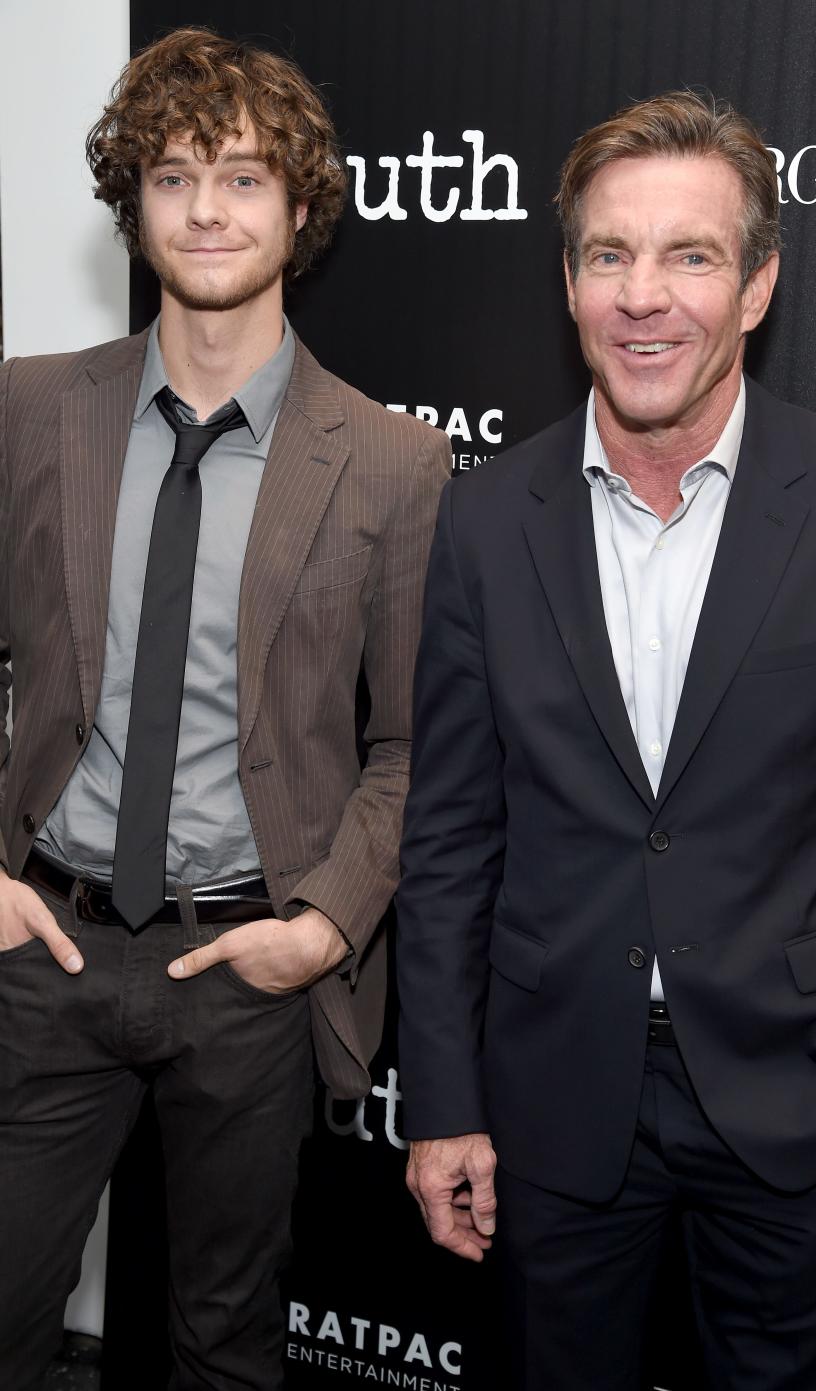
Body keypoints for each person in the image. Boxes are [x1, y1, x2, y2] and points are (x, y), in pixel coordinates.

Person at [396, 90, 816, 1390]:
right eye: (610, 255)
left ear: (757, 286)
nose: (643, 296)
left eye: (690, 255)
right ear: (570, 281)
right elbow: (450, 838)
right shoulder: (486, 522)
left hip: (810, 1107)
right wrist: (443, 1104)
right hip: (555, 1107)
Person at [0, 26, 448, 1391]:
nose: (208, 208)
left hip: (247, 974)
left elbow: (414, 744)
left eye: (246, 177)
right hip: (47, 952)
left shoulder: (390, 460)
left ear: (301, 210)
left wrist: (318, 929)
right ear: (133, 202)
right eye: (176, 174)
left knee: (225, 1348)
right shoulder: (29, 410)